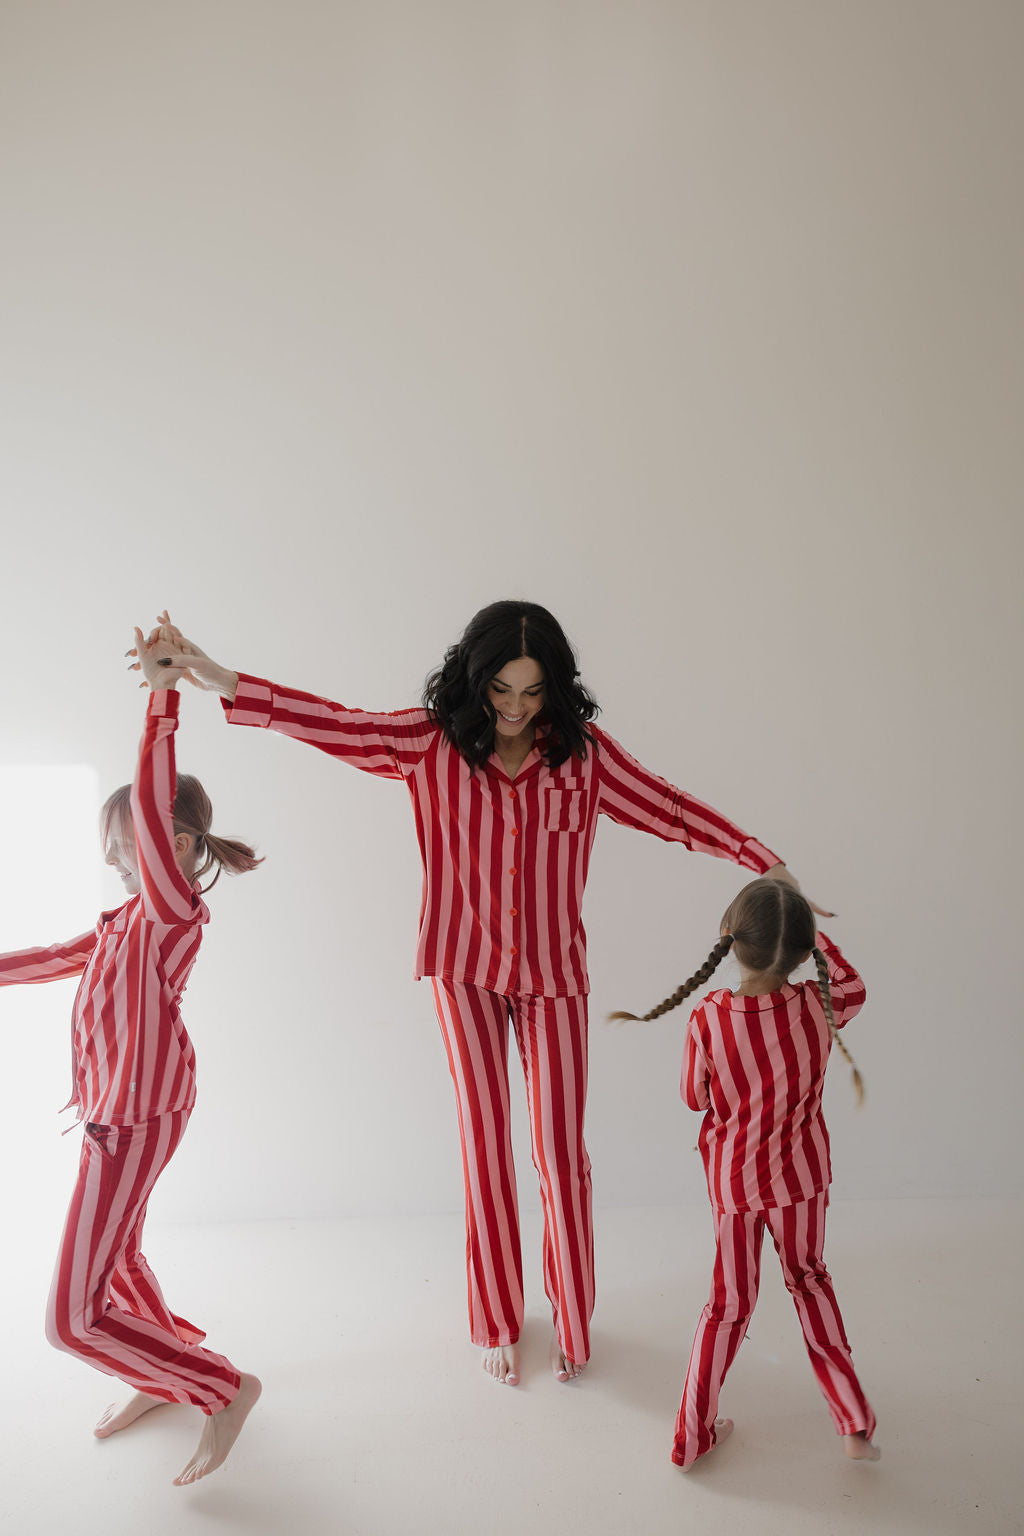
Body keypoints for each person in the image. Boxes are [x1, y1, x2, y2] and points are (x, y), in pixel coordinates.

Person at [141, 602, 823, 1389]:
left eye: (532, 692)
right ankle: (498, 1319)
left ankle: (572, 1318)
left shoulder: (585, 760)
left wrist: (757, 856)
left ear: (553, 688)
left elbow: (670, 809)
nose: (515, 708)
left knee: (561, 1155)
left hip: (554, 978)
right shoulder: (428, 744)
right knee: (486, 1145)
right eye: (501, 689)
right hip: (461, 970)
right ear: (476, 680)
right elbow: (334, 724)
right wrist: (215, 675)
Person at [0, 629, 263, 1486]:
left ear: (174, 846)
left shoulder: (171, 909)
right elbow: (52, 956)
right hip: (119, 1111)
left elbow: (151, 810)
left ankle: (220, 1388)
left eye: (129, 842)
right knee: (116, 1259)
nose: (115, 856)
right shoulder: (121, 922)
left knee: (70, 1321)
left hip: (139, 1115)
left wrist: (162, 699)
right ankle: (160, 1368)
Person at [612, 877, 879, 1466]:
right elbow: (856, 986)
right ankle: (853, 1419)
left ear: (729, 938)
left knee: (727, 1306)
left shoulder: (709, 1017)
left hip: (735, 1185)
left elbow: (693, 1098)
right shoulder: (818, 1005)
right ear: (803, 953)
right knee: (809, 1281)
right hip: (801, 1182)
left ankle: (691, 1435)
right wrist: (816, 938)